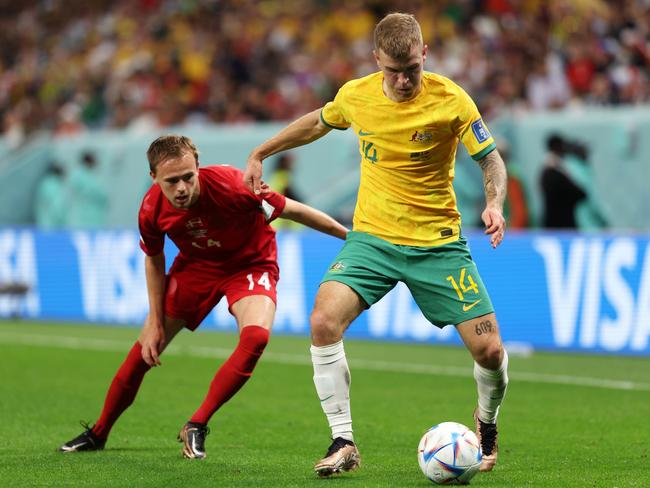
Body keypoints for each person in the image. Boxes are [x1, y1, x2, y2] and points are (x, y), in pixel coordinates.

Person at [244, 13, 509, 477]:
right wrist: (263, 151)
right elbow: (318, 122)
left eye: (412, 68)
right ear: (376, 61)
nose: (404, 80)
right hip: (373, 240)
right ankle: (343, 440)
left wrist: (494, 203)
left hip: (438, 245)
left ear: (425, 55)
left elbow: (491, 160)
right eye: (394, 71)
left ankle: (486, 422)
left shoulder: (452, 100)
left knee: (489, 351)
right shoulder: (356, 95)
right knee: (324, 320)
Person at [59, 135, 348, 459]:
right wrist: (155, 321)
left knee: (255, 338)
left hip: (250, 263)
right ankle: (99, 433)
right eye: (172, 181)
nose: (181, 188)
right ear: (154, 177)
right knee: (145, 349)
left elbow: (293, 210)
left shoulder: (233, 185)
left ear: (198, 166)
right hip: (196, 268)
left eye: (188, 177)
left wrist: (348, 236)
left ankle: (196, 423)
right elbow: (154, 260)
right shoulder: (151, 208)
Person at [540, 134, 587, 228]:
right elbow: (579, 193)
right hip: (560, 224)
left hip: (555, 223)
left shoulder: (548, 170)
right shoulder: (553, 171)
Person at [67, 151, 109, 228]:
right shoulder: (86, 178)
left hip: (78, 221)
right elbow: (101, 196)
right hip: (88, 220)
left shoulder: (76, 176)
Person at [34, 163, 66, 229]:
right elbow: (57, 207)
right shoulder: (54, 186)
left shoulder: (46, 183)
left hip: (43, 222)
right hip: (52, 224)